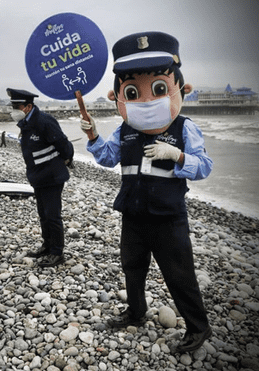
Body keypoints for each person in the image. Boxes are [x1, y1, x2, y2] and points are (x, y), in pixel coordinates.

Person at [80, 31, 213, 353]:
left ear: (181, 88)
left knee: (179, 275)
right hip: (133, 213)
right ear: (118, 96)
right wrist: (94, 135)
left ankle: (198, 327)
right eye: (132, 92)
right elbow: (108, 158)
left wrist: (178, 156)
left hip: (168, 218)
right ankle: (136, 311)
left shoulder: (184, 128)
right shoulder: (124, 130)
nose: (148, 100)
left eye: (158, 89)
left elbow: (205, 166)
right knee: (132, 266)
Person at [7, 88, 74, 267]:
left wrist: (67, 159)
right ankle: (47, 245)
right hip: (38, 177)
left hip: (52, 176)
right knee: (43, 215)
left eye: (17, 106)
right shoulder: (26, 123)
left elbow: (63, 144)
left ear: (28, 106)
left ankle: (57, 252)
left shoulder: (44, 121)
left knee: (52, 216)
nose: (14, 109)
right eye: (13, 106)